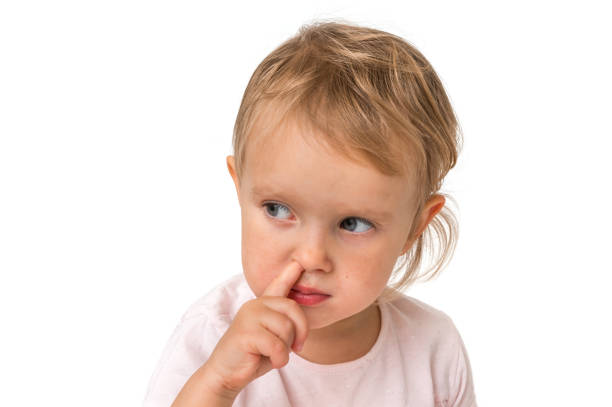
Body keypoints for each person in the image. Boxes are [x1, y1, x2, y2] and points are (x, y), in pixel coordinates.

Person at [143, 20, 477, 407]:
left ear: (415, 227)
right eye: (278, 209)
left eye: (354, 223)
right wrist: (217, 384)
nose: (311, 256)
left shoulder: (434, 349)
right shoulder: (212, 336)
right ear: (240, 188)